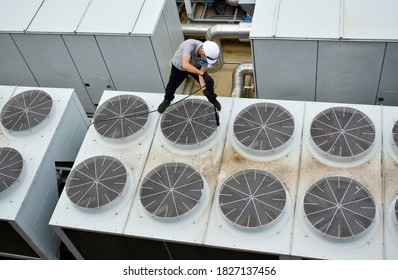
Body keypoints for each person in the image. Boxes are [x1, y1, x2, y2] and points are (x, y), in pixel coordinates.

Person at [157, 39, 221, 113]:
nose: (206, 60)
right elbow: (186, 65)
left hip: (195, 66)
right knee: (172, 85)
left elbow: (201, 73)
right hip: (179, 67)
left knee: (207, 83)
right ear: (203, 53)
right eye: (206, 58)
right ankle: (167, 99)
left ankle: (212, 99)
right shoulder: (189, 45)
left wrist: (204, 89)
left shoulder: (207, 55)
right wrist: (202, 74)